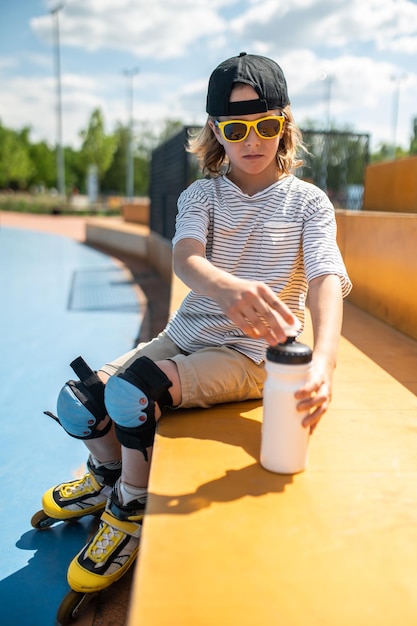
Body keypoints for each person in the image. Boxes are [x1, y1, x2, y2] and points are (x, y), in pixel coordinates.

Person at [36, 52, 352, 595]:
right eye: (235, 128)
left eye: (266, 126)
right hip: (185, 336)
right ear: (215, 130)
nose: (252, 141)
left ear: (285, 125)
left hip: (249, 356)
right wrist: (225, 286)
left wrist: (323, 360)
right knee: (79, 401)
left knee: (134, 394)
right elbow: (186, 258)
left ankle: (133, 506)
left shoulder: (308, 204)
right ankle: (109, 476)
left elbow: (325, 278)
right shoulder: (202, 194)